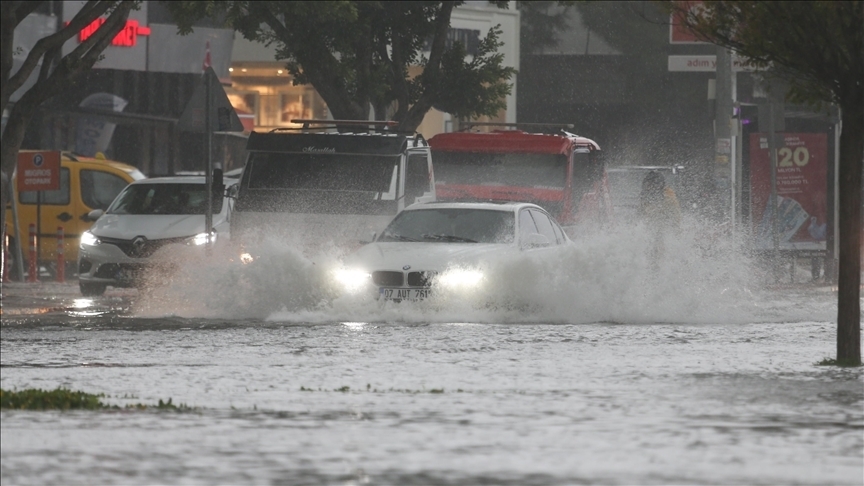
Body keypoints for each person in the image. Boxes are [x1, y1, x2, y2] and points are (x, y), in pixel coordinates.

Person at [639, 170, 681, 269]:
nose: (648, 186)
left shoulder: (668, 196)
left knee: (659, 250)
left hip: (666, 230)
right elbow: (641, 215)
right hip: (652, 230)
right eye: (647, 184)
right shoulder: (646, 195)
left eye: (651, 184)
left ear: (658, 184)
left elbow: (674, 218)